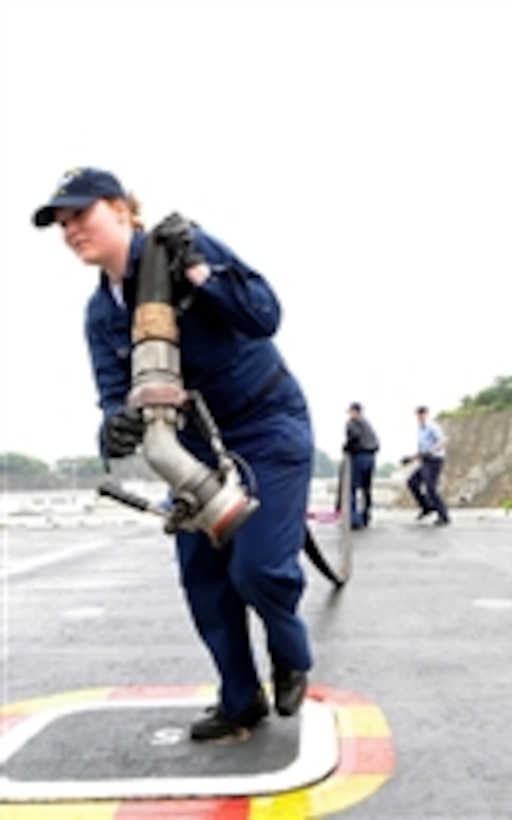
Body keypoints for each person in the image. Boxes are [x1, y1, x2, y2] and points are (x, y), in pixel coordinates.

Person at [32, 167, 314, 741]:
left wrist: (200, 272)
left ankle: (290, 654)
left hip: (265, 427)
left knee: (258, 569)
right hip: (189, 452)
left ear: (120, 209)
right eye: (62, 224)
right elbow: (113, 394)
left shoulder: (184, 246)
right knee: (204, 581)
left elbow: (265, 316)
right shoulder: (100, 314)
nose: (71, 231)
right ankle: (240, 700)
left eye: (80, 215)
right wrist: (115, 427)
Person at [403, 405, 450, 526]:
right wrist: (410, 458)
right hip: (425, 461)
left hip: (435, 460)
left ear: (426, 414)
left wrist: (432, 450)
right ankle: (426, 507)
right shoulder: (420, 430)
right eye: (418, 414)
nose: (420, 416)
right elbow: (422, 451)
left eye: (422, 414)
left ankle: (444, 515)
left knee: (430, 487)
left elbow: (443, 441)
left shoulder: (432, 426)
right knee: (412, 482)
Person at [343, 402, 379, 530]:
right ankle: (366, 516)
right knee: (366, 488)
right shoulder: (367, 424)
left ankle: (354, 519)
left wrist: (346, 448)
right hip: (371, 456)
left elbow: (354, 436)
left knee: (352, 488)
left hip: (359, 456)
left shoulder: (352, 423)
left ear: (354, 411)